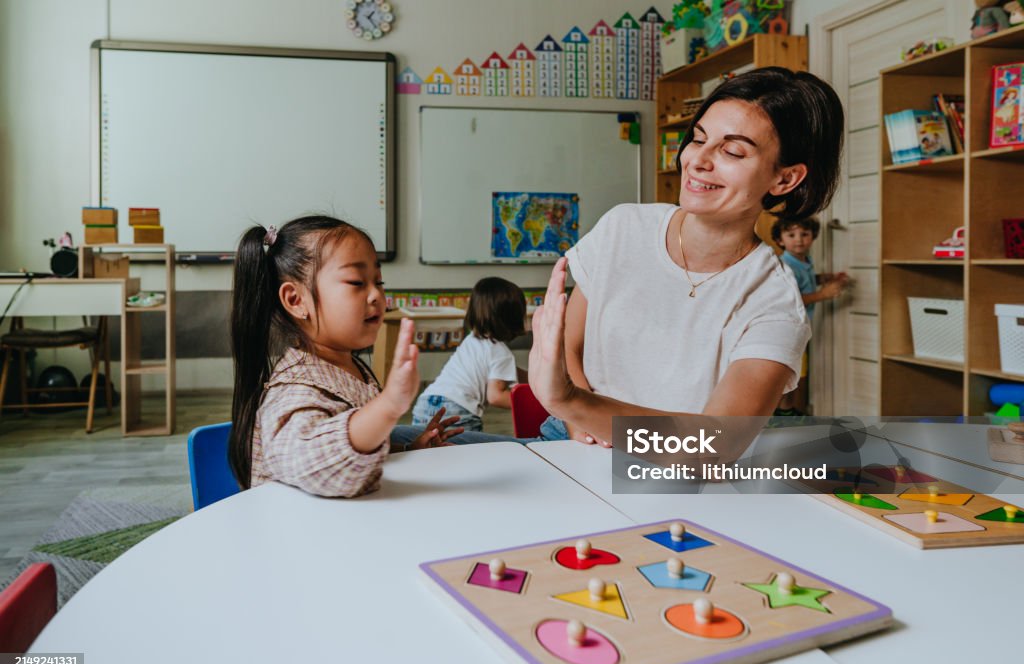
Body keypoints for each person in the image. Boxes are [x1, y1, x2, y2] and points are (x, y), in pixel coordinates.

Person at [528, 67, 844, 449]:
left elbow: (713, 446)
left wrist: (570, 402)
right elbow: (568, 345)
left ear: (785, 179)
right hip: (570, 440)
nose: (697, 160)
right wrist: (579, 419)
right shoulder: (623, 227)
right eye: (698, 138)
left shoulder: (774, 304)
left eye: (732, 151)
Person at [228, 215, 461, 498]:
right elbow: (317, 466)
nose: (376, 295)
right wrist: (388, 406)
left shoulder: (350, 366)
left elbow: (357, 456)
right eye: (356, 282)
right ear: (296, 300)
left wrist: (409, 449)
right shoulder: (294, 390)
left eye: (378, 281)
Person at [412, 277, 526, 432]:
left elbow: (503, 371)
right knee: (470, 448)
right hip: (458, 410)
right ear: (513, 318)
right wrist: (530, 402)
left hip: (425, 403)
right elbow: (496, 396)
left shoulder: (472, 340)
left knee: (427, 446)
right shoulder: (502, 353)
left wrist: (532, 379)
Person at [772, 216, 850, 416]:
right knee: (787, 376)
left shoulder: (804, 261)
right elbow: (789, 299)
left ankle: (787, 412)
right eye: (791, 235)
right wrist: (822, 294)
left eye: (804, 234)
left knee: (796, 374)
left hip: (799, 329)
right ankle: (779, 414)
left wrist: (822, 278)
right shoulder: (785, 266)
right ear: (780, 240)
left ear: (813, 236)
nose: (799, 239)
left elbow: (803, 281)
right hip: (787, 330)